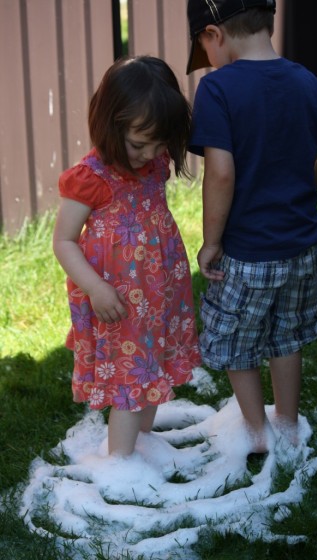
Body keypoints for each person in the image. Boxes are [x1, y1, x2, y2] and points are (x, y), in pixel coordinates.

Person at [186, 0, 317, 452]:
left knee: (236, 340)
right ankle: (289, 424)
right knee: (287, 334)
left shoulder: (217, 89)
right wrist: (302, 181)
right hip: (304, 248)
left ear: (214, 35)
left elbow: (221, 173)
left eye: (204, 47)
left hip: (248, 252)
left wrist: (211, 242)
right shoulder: (308, 81)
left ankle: (256, 434)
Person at [53, 56, 201, 458]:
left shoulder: (154, 161)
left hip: (157, 290)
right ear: (110, 123)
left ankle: (144, 443)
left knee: (150, 362)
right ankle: (120, 465)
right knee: (127, 378)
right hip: (116, 297)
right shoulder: (91, 178)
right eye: (139, 143)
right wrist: (96, 289)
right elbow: (64, 241)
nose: (150, 154)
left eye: (160, 143)